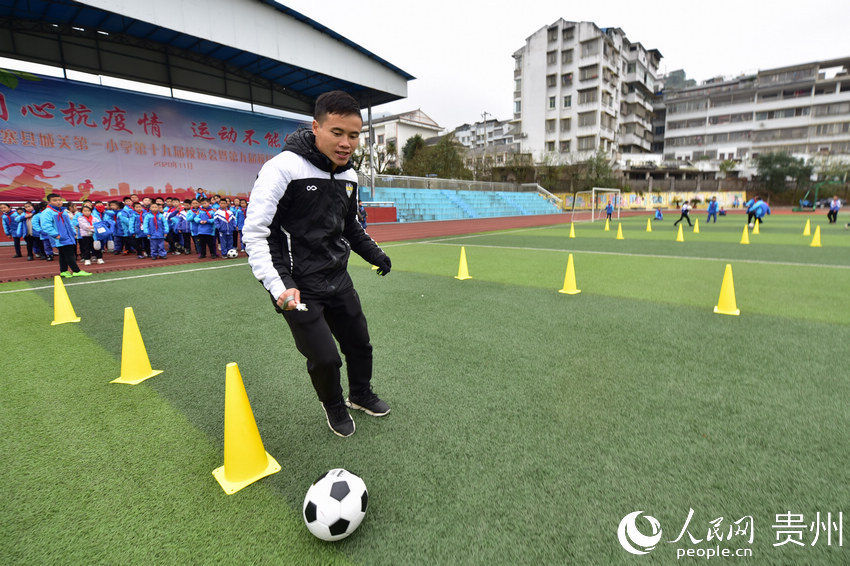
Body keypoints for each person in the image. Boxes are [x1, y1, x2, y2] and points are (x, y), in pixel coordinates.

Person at [243, 90, 392, 438]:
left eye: (353, 136)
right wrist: (280, 286)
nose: (346, 143)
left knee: (360, 344)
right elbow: (256, 234)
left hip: (337, 279)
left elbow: (350, 226)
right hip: (297, 284)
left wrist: (375, 254)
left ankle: (359, 394)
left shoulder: (349, 176)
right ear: (316, 127)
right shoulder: (282, 168)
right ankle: (334, 405)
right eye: (336, 132)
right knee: (325, 358)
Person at [41, 193, 91, 277]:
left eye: (59, 200)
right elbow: (46, 225)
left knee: (63, 254)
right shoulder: (48, 212)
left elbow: (69, 223)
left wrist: (73, 232)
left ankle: (63, 271)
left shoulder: (63, 211)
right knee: (69, 254)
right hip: (60, 237)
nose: (58, 202)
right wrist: (55, 234)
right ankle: (76, 271)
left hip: (68, 235)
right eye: (55, 200)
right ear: (49, 202)